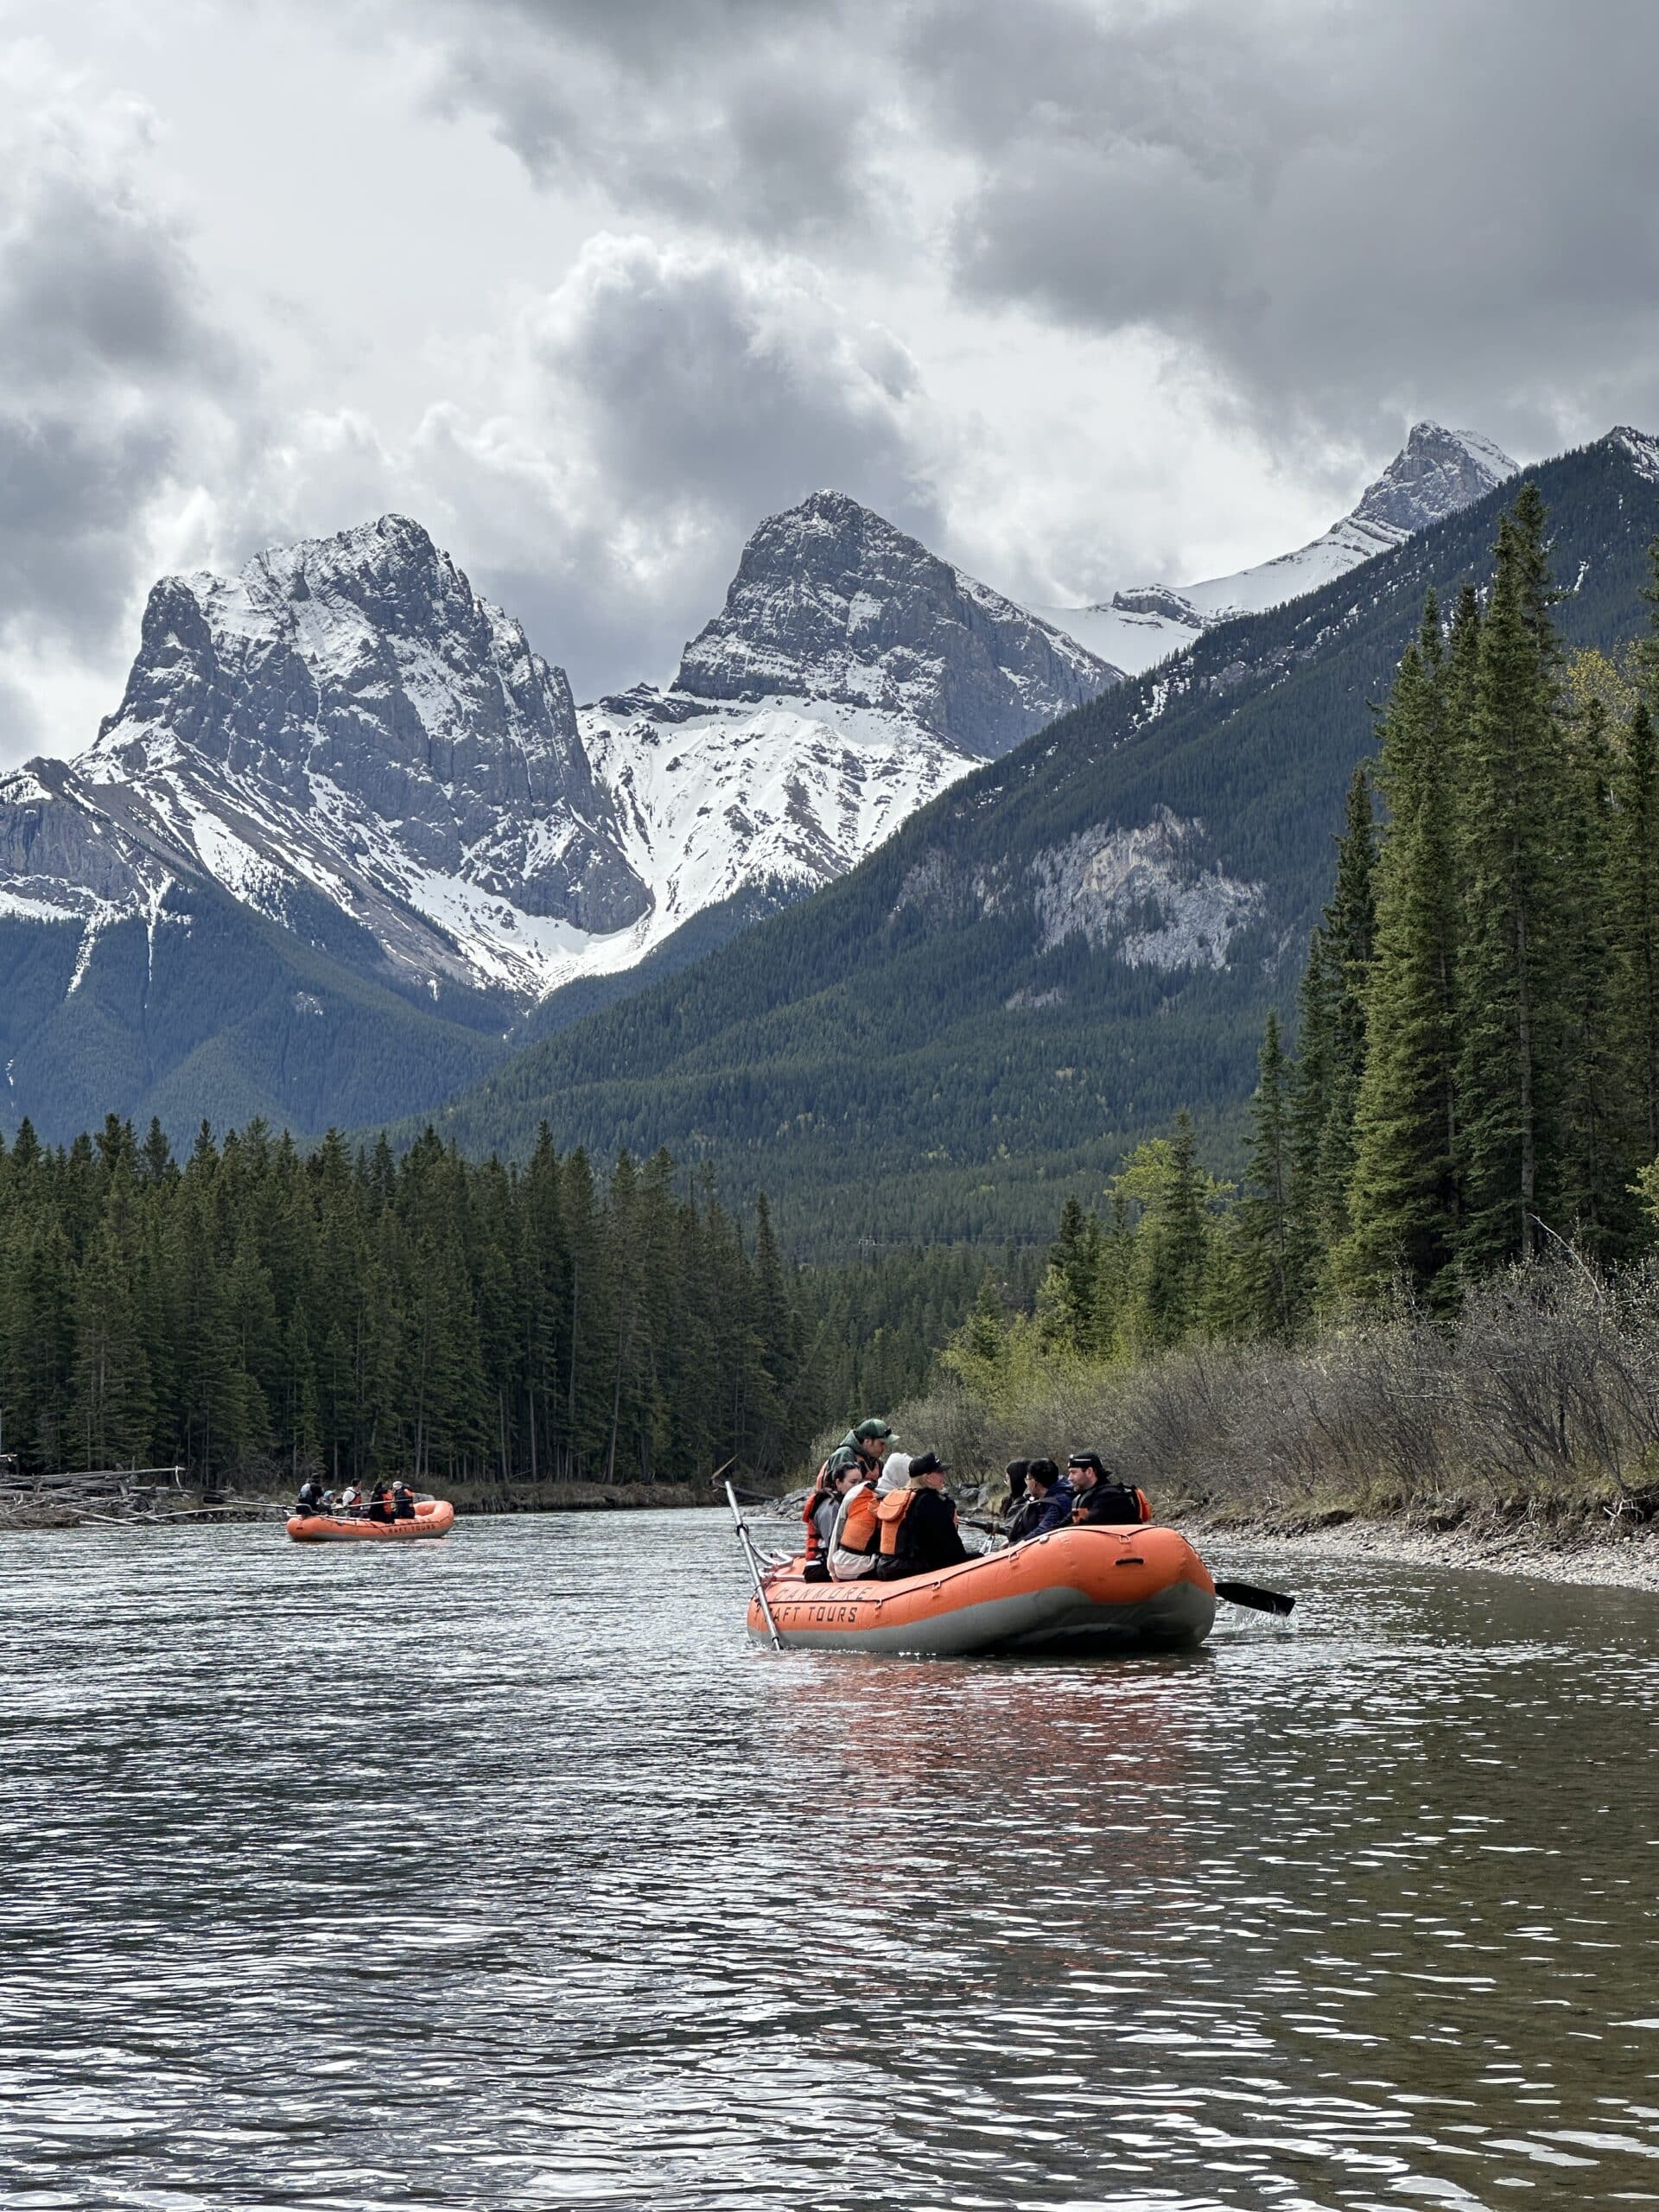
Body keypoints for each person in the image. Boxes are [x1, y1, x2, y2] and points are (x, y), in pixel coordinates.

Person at [874, 1452, 969, 1580]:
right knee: (977, 1556)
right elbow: (954, 1548)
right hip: (910, 1568)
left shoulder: (900, 1496)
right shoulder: (929, 1501)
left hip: (886, 1567)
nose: (943, 1475)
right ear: (926, 1478)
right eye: (939, 1472)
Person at [1066, 1451, 1152, 1526]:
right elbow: (1065, 1524)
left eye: (1073, 1472)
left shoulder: (1111, 1497)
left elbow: (1086, 1525)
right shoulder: (1085, 1498)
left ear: (1089, 1472)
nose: (1069, 1478)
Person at [1004, 1459, 1073, 1543]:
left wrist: (1020, 1543)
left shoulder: (1059, 1501)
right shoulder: (1048, 1496)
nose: (1026, 1483)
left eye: (1027, 1479)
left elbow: (1045, 1528)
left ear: (1034, 1483)